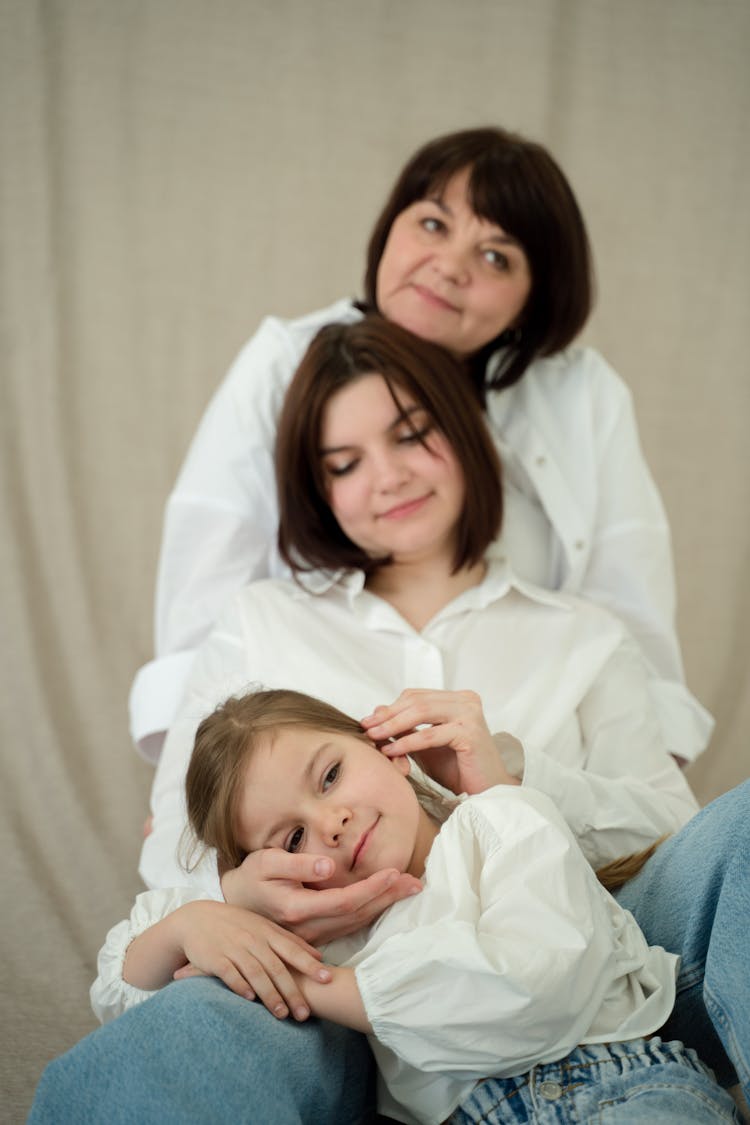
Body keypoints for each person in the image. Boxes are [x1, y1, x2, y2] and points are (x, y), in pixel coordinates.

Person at [29, 317, 747, 1124]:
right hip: (340, 1002)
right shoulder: (260, 621)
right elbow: (175, 858)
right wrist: (250, 897)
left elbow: (680, 844)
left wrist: (512, 779)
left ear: (465, 431)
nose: (388, 477)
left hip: (599, 975)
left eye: (412, 435)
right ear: (316, 488)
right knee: (179, 1029)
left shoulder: (583, 633)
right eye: (344, 463)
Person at [129, 125, 712, 768]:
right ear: (388, 230)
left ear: (531, 301)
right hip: (323, 748)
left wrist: (641, 784)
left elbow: (628, 592)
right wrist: (195, 787)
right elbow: (209, 574)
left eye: (496, 256)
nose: (450, 265)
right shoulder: (284, 362)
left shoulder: (581, 393)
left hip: (538, 750)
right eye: (434, 224)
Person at [88, 688, 741, 1125]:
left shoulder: (502, 824)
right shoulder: (321, 930)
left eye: (330, 775)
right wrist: (201, 919)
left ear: (385, 749)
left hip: (616, 1089)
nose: (333, 820)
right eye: (291, 838)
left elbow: (532, 989)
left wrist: (317, 985)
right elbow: (126, 990)